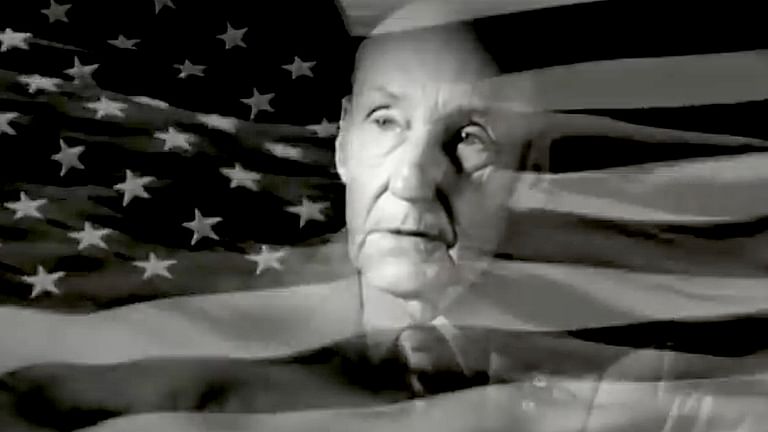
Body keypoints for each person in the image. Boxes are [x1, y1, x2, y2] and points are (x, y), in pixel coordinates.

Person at [1, 22, 765, 432]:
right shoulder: (189, 340)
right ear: (342, 144)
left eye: (470, 140)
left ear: (530, 171)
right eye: (385, 121)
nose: (411, 178)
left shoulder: (629, 374)